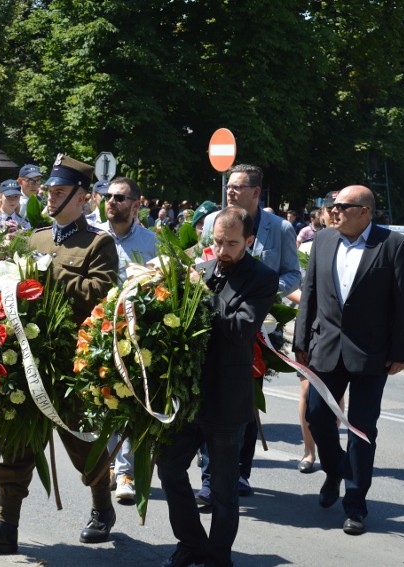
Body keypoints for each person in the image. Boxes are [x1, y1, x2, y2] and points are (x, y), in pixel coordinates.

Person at [0, 155, 119, 552]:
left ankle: (102, 506)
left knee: (83, 444)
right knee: (17, 441)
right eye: (49, 191)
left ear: (83, 198)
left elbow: (101, 294)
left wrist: (51, 273)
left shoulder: (99, 243)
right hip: (26, 357)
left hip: (69, 363)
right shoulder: (36, 238)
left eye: (60, 193)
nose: (50, 198)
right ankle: (4, 525)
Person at [292, 185, 404, 535]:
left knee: (362, 429)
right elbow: (311, 295)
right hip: (325, 349)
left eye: (342, 207)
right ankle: (335, 470)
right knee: (316, 415)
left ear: (365, 211)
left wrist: (400, 352)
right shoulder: (324, 241)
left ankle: (356, 505)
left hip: (372, 355)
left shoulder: (393, 245)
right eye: (332, 206)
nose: (334, 211)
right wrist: (301, 341)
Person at [157, 206, 277, 567]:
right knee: (169, 468)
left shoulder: (261, 278)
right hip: (190, 397)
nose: (222, 251)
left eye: (231, 244)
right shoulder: (203, 271)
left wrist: (201, 294)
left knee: (224, 489)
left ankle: (218, 555)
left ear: (249, 241)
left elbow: (241, 330)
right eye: (217, 242)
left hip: (227, 400)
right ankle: (191, 543)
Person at [198, 164, 299, 501]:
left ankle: (239, 472)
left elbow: (292, 274)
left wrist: (265, 294)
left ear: (256, 192)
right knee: (211, 398)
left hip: (261, 322)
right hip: (217, 322)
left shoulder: (280, 228)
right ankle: (211, 476)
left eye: (238, 187)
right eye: (229, 185)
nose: (231, 191)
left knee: (244, 399)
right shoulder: (216, 221)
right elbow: (205, 262)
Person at [96, 176, 159, 503]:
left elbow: (162, 288)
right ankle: (110, 465)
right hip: (94, 335)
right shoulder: (93, 237)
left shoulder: (152, 243)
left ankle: (125, 472)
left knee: (128, 405)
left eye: (119, 198)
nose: (111, 202)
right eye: (108, 196)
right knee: (103, 404)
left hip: (134, 337)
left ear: (136, 204)